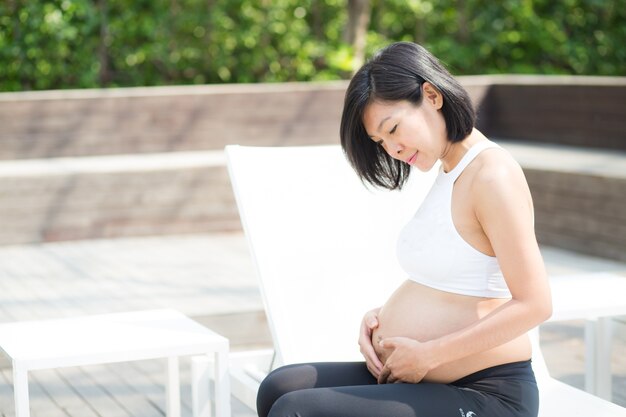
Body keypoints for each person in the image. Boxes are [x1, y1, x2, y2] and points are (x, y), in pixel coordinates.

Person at [256, 41, 552, 417]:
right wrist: (381, 318)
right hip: (429, 379)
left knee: (297, 410)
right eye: (381, 142)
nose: (393, 149)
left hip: (488, 394)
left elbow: (535, 304)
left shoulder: (492, 175)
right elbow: (458, 282)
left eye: (393, 128)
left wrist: (430, 353)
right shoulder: (449, 171)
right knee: (279, 387)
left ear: (431, 95)